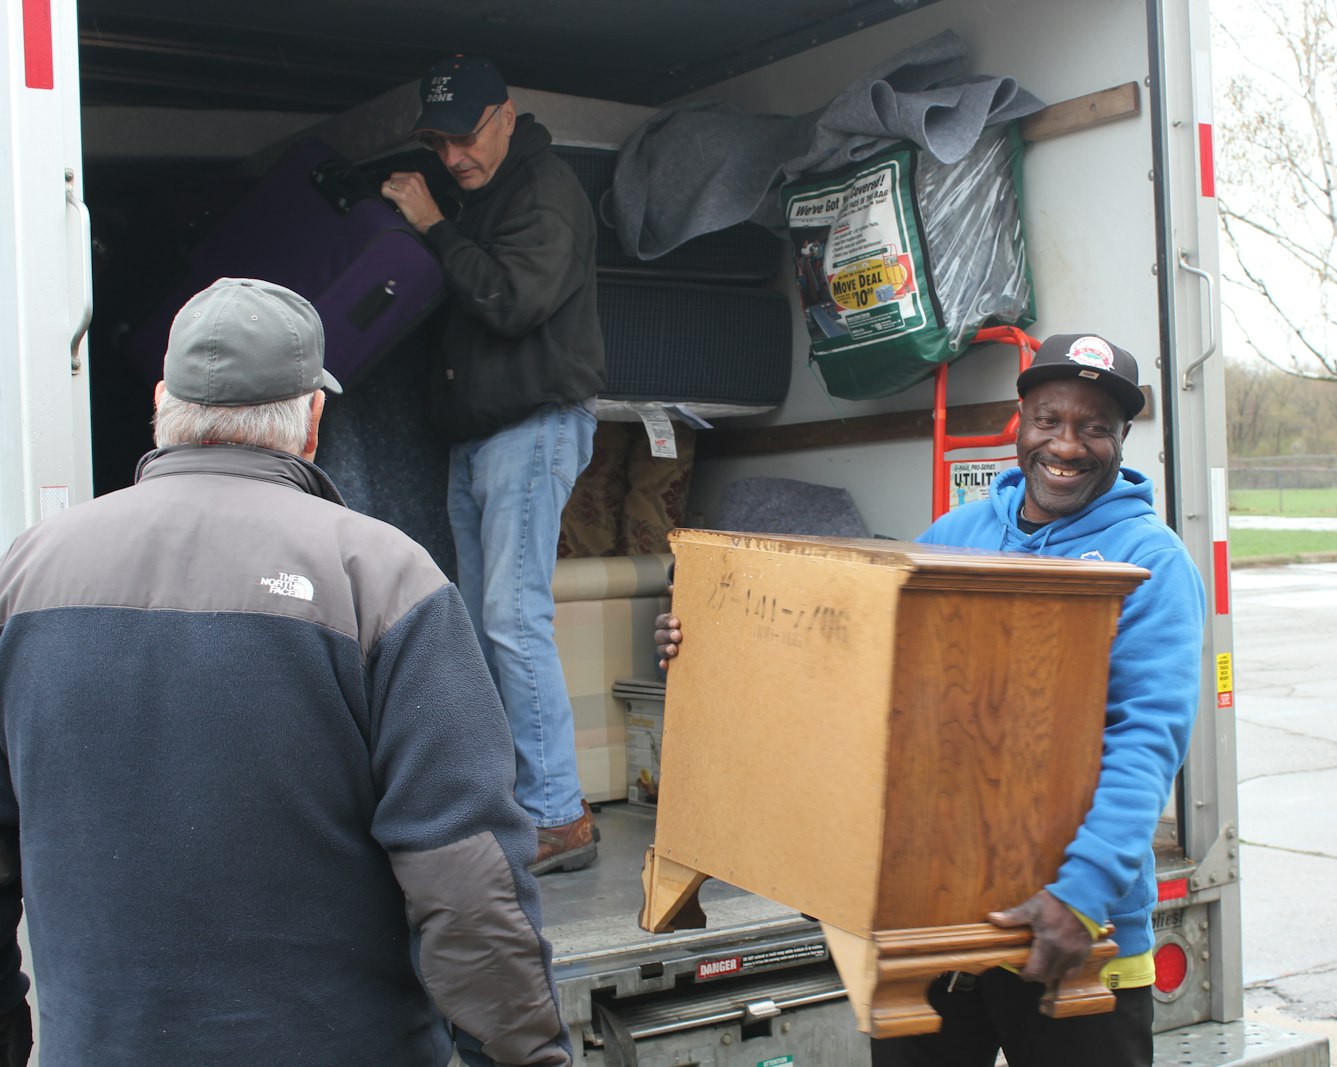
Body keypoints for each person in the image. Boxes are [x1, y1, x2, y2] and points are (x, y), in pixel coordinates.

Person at [0, 278, 572, 1066]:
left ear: (165, 403)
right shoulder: (382, 577)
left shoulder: (25, 576)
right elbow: (468, 880)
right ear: (312, 419)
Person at [655, 334, 1205, 1067]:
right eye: (1049, 419)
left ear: (1121, 438)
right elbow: (857, 672)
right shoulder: (957, 533)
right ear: (1019, 420)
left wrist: (1083, 893)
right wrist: (708, 641)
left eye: (1094, 426)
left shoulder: (1151, 563)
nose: (1067, 445)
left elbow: (1145, 742)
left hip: (1067, 932)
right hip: (930, 923)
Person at [382, 55, 606, 872]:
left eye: (466, 136)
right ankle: (516, 801)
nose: (454, 157)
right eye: (439, 144)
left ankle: (559, 815)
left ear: (507, 114)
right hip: (479, 433)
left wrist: (434, 226)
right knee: (482, 627)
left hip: (532, 424)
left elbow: (514, 300)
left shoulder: (545, 189)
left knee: (513, 620)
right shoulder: (484, 194)